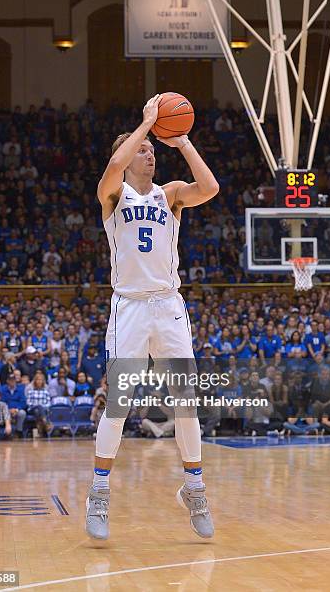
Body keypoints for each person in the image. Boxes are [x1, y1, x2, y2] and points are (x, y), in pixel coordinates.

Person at [86, 94, 219, 541]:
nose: (150, 154)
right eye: (144, 150)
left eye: (151, 150)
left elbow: (210, 188)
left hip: (168, 306)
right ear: (127, 158)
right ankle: (99, 494)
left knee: (186, 403)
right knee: (120, 405)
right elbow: (112, 167)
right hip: (129, 308)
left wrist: (181, 143)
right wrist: (144, 125)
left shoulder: (171, 194)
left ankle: (195, 489)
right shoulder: (113, 193)